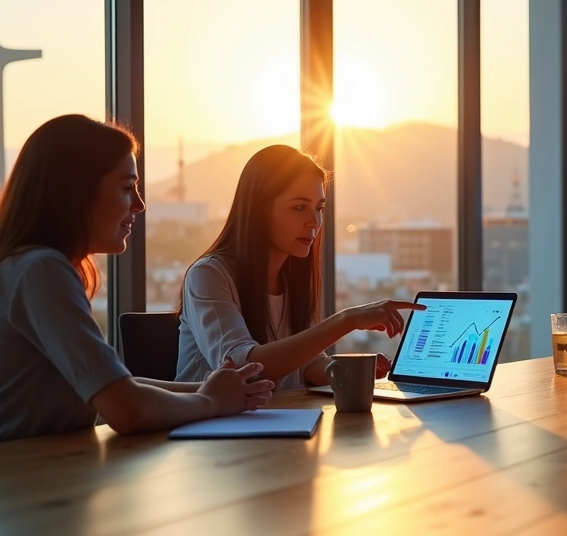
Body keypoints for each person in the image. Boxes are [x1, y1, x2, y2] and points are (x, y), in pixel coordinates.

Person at [0, 115, 273, 450]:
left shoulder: (30, 267)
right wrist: (212, 402)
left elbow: (117, 385)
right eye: (127, 187)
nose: (139, 204)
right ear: (76, 193)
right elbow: (126, 409)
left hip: (19, 477)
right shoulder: (39, 271)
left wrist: (217, 390)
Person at [175, 145, 424, 389]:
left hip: (277, 423)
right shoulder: (208, 275)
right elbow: (244, 369)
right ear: (259, 210)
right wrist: (347, 320)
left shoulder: (291, 278)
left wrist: (355, 368)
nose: (314, 221)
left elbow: (309, 368)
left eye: (319, 208)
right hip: (210, 427)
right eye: (299, 207)